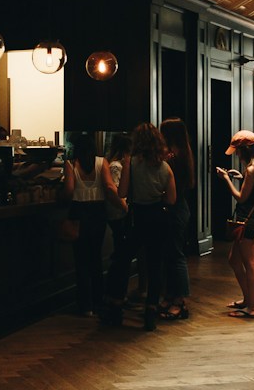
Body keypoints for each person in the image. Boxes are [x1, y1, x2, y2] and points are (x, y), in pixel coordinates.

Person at [118, 123, 178, 331]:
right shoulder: (165, 168)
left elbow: (122, 192)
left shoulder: (131, 163)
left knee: (123, 259)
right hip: (158, 218)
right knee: (155, 266)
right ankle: (150, 312)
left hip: (138, 217)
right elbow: (171, 200)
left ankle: (116, 305)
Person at [215, 130, 254, 319]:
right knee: (234, 259)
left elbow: (241, 198)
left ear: (244, 150)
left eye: (237, 151)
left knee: (250, 262)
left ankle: (253, 308)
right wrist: (240, 178)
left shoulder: (251, 170)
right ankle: (248, 299)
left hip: (247, 218)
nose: (236, 154)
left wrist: (226, 180)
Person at [63, 135, 119, 315]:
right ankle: (98, 301)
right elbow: (110, 187)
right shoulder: (101, 162)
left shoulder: (71, 164)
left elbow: (69, 190)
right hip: (97, 213)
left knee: (81, 260)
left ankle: (85, 305)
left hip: (78, 213)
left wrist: (60, 196)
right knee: (95, 258)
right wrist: (121, 203)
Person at [158, 118, 198, 320]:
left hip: (175, 208)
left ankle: (180, 300)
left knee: (176, 255)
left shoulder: (172, 157)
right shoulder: (184, 153)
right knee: (171, 254)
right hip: (180, 207)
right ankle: (170, 296)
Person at [98, 133, 133, 322]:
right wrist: (126, 208)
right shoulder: (116, 167)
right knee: (120, 256)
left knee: (121, 255)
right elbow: (116, 192)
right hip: (118, 215)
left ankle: (116, 295)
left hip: (118, 214)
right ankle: (113, 296)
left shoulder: (115, 165)